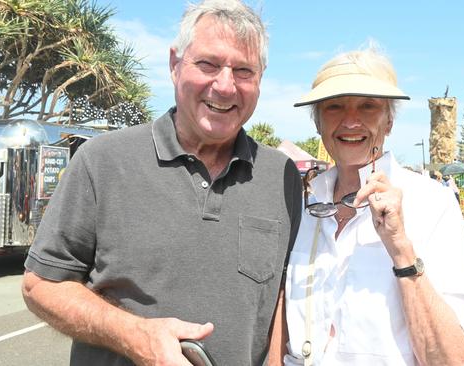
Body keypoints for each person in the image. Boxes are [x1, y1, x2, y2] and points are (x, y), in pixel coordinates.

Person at [21, 1, 302, 365]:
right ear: (175, 64)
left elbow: (280, 293)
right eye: (208, 64)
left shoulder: (281, 176)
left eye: (244, 70)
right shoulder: (102, 160)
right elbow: (39, 285)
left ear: (261, 78)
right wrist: (135, 337)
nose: (225, 86)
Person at [272, 46, 464, 365]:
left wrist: (400, 248)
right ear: (318, 123)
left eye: (368, 106)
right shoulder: (302, 203)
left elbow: (452, 359)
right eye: (335, 106)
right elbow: (283, 315)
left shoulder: (432, 204)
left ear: (389, 122)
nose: (350, 120)